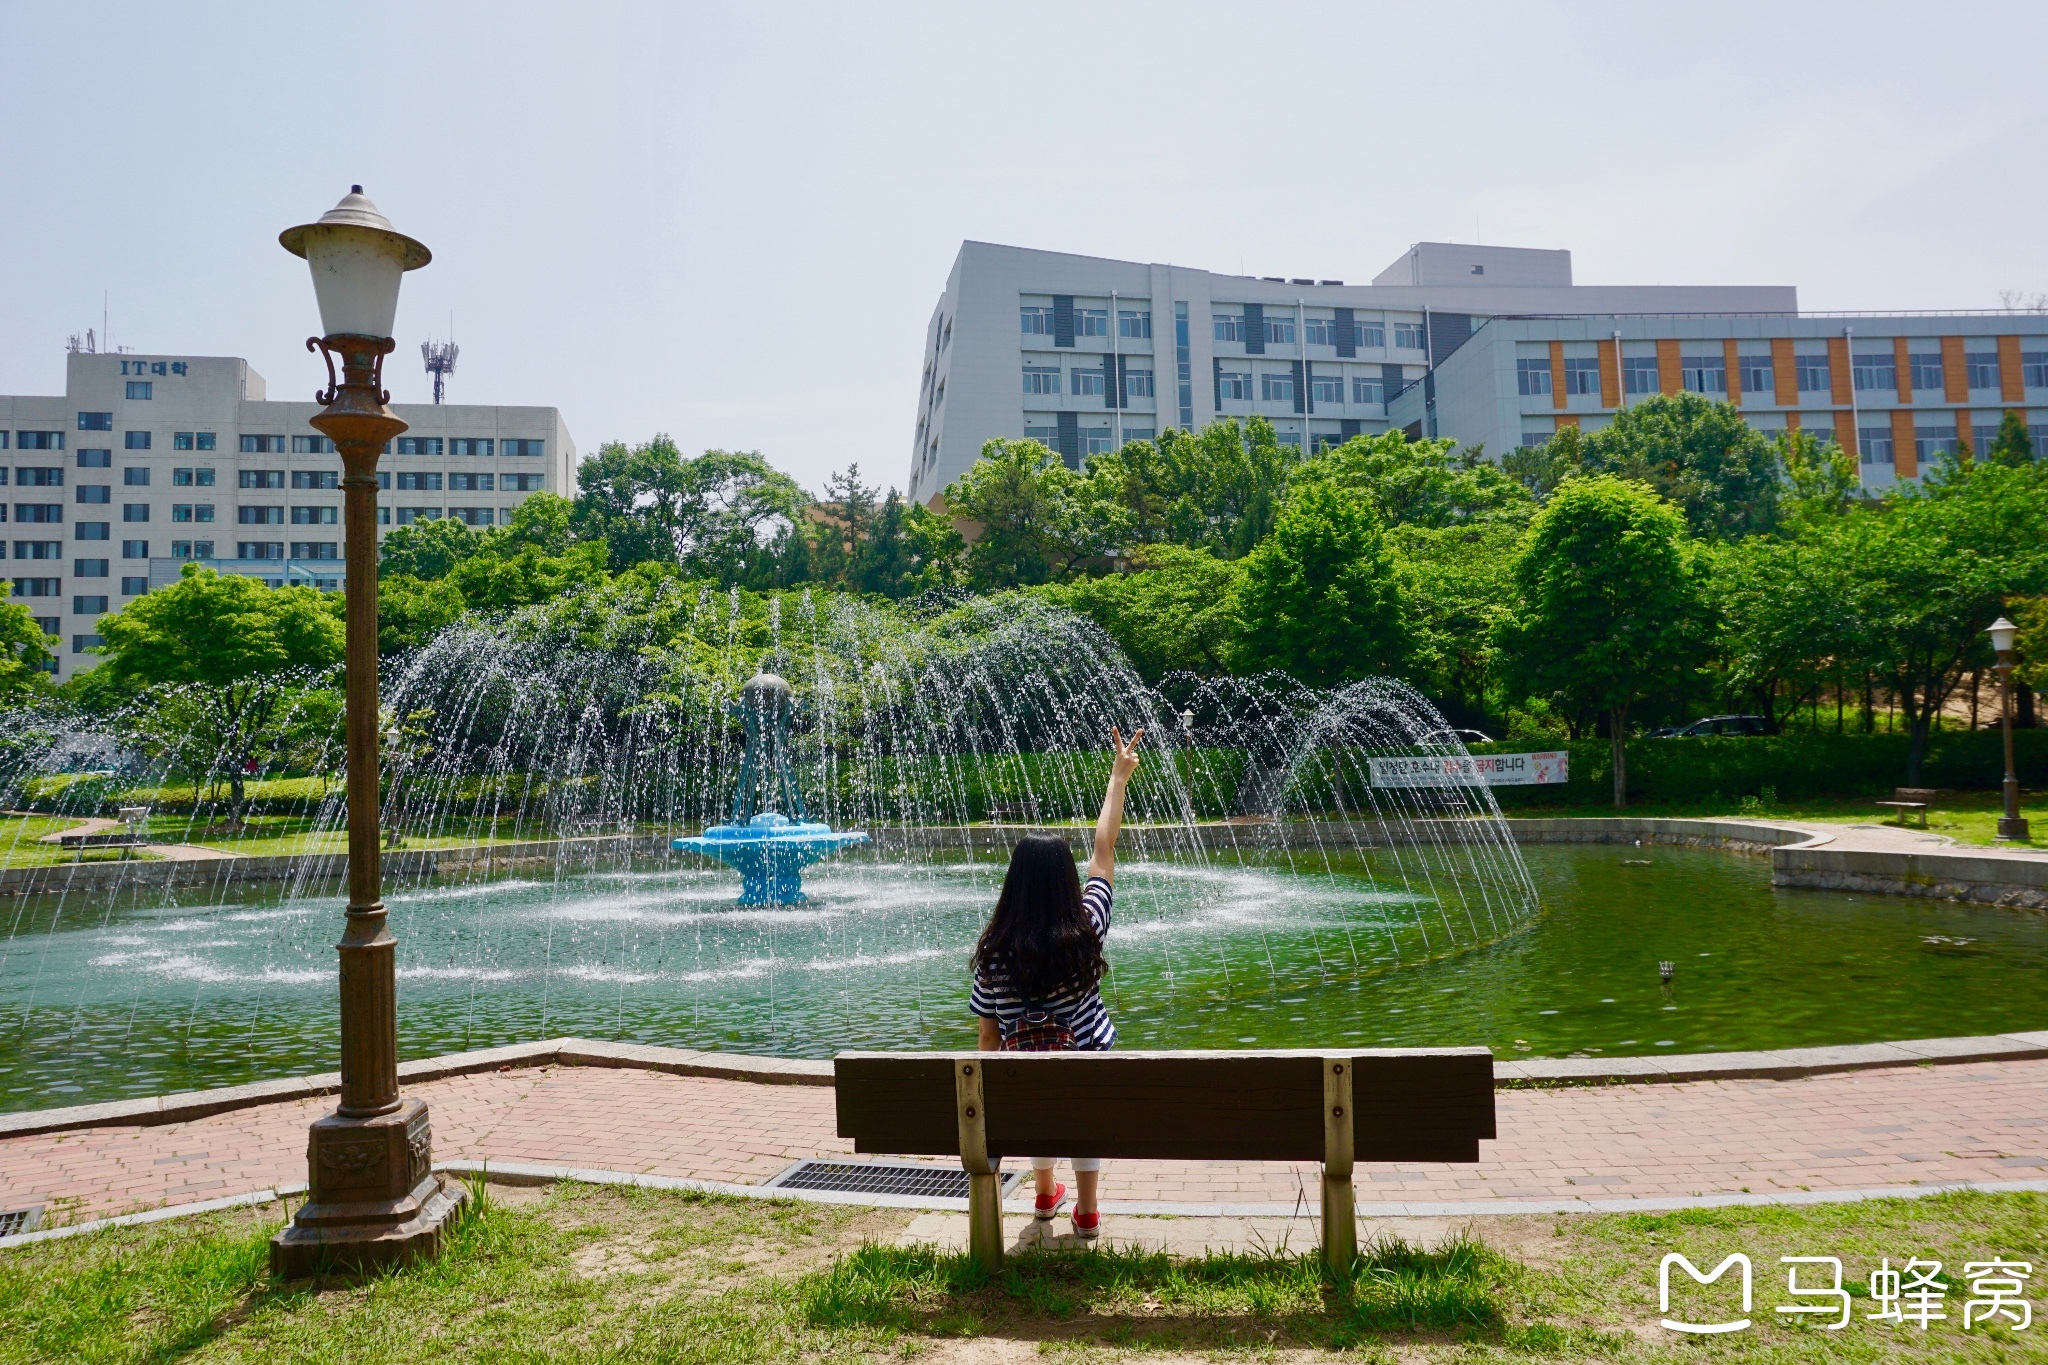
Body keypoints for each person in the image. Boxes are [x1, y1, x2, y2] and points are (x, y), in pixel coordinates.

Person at [970, 725, 1143, 1240]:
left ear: (1013, 886)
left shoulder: (994, 955)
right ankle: (1086, 1211)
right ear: (1069, 882)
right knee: (1076, 1089)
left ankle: (1045, 1195)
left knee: (1033, 1083)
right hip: (1084, 1073)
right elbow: (1104, 850)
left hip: (1024, 1088)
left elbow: (987, 1039)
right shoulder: (1087, 929)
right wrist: (1118, 777)